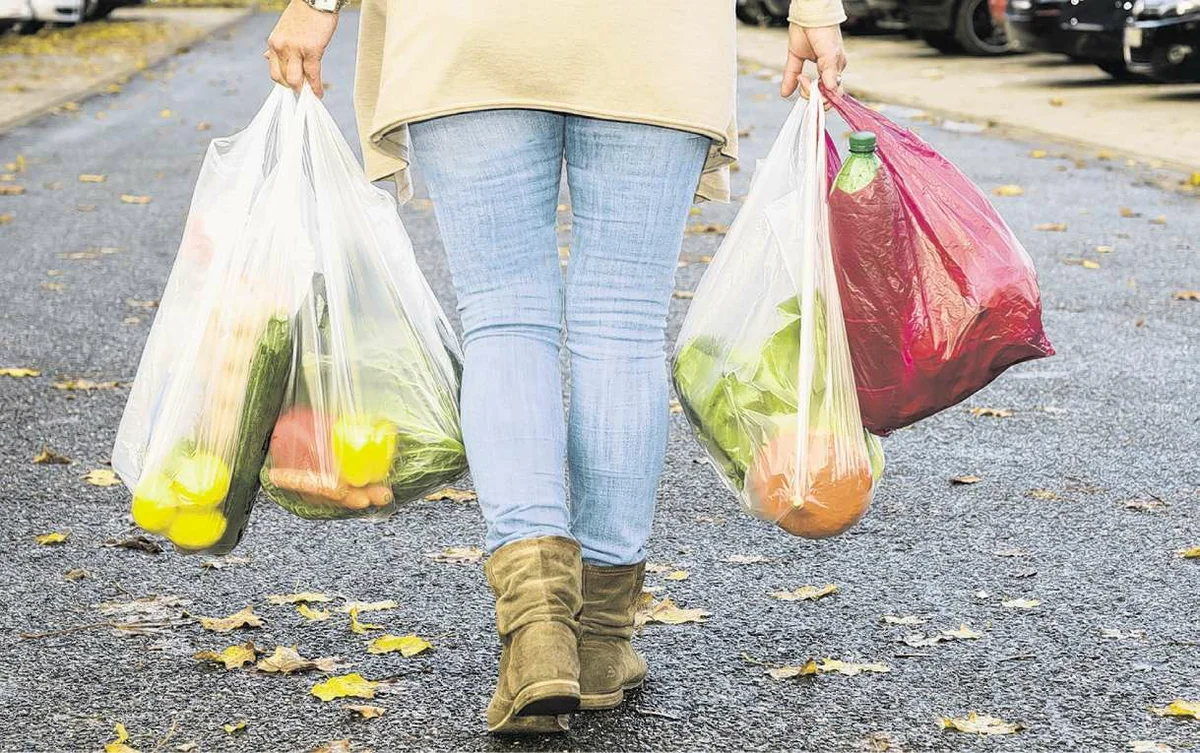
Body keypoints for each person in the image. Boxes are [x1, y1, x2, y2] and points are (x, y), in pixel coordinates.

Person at [265, 0, 847, 735]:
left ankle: (538, 632)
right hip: (653, 35)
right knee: (623, 325)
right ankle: (601, 641)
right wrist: (815, 10)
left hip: (468, 34)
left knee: (504, 317)